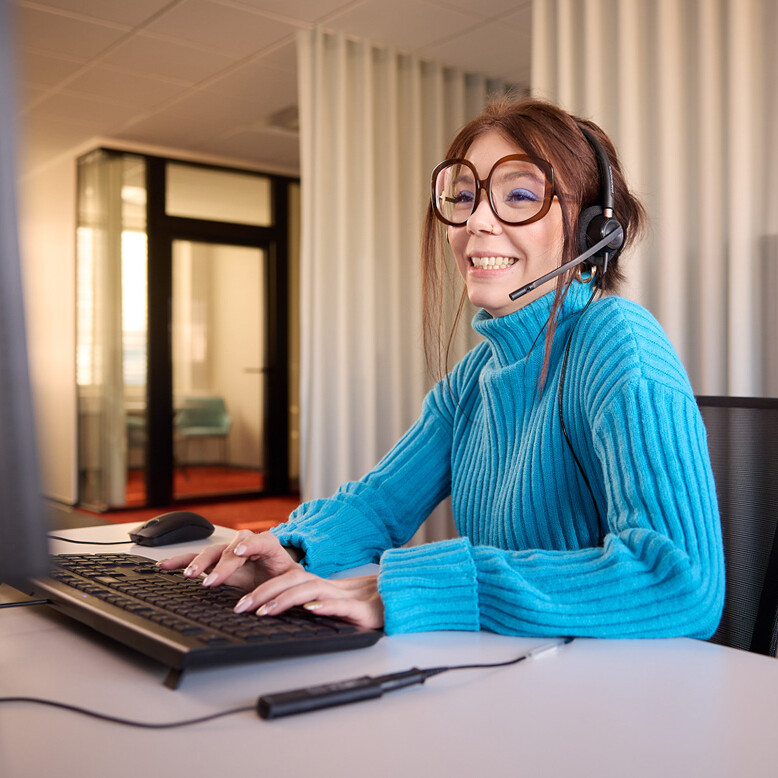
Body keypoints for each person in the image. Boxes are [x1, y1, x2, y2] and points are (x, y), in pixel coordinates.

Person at [159, 97, 725, 639]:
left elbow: (682, 581)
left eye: (519, 195)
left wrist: (416, 587)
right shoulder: (476, 377)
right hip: (514, 670)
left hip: (616, 686)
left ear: (591, 232)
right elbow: (379, 507)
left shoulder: (618, 341)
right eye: (464, 197)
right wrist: (289, 551)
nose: (476, 221)